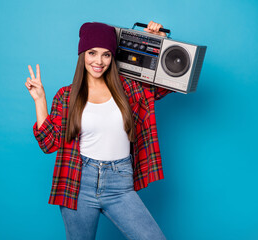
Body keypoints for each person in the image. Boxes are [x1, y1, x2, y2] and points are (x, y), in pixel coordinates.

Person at [25, 20, 173, 240]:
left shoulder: (129, 88)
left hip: (120, 183)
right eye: (92, 53)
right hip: (78, 182)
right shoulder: (67, 95)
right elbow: (48, 144)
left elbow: (164, 85)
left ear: (113, 57)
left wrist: (157, 43)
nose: (99, 61)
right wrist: (40, 100)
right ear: (82, 54)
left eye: (106, 54)